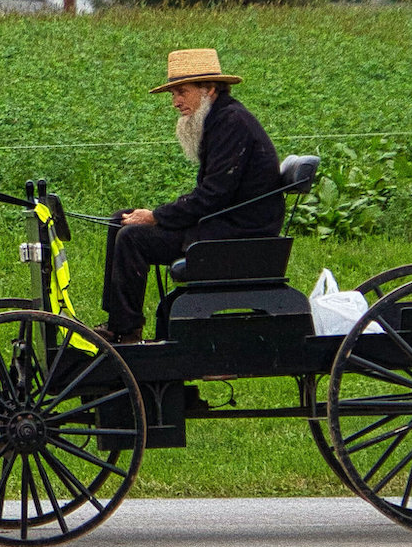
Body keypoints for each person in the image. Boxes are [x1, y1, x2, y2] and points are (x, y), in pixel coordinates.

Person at [99, 48, 283, 343]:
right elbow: (212, 194)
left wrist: (157, 216)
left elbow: (214, 194)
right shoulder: (220, 119)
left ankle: (126, 333)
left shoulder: (232, 121)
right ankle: (118, 322)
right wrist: (157, 216)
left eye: (181, 92)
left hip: (238, 234)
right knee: (120, 220)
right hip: (221, 224)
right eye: (173, 94)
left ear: (209, 89)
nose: (175, 102)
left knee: (132, 236)